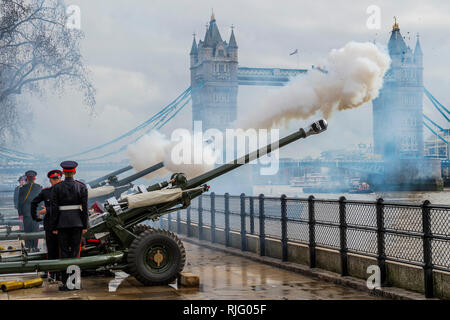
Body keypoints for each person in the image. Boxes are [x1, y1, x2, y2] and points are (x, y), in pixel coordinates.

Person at [49, 161, 88, 291]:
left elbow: (54, 209)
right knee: (76, 253)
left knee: (64, 254)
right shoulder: (81, 187)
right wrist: (85, 225)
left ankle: (66, 283)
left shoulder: (57, 188)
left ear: (64, 172)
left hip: (62, 224)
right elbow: (85, 208)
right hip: (77, 223)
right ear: (74, 172)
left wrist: (54, 226)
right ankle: (75, 283)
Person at [31, 170, 63, 282]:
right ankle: (52, 273)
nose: (56, 180)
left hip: (63, 225)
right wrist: (35, 217)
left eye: (57, 178)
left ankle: (61, 274)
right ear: (50, 180)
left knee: (62, 251)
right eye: (53, 179)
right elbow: (33, 203)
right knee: (52, 250)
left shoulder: (66, 191)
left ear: (61, 179)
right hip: (50, 226)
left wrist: (48, 210)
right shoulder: (46, 192)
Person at [18, 170, 42, 252]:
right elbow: (41, 201)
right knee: (35, 230)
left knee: (27, 231)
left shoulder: (22, 188)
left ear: (27, 178)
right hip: (36, 213)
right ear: (34, 178)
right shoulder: (39, 187)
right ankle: (35, 247)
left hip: (26, 213)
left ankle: (28, 247)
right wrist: (40, 211)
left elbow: (20, 202)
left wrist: (20, 213)